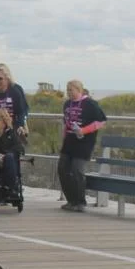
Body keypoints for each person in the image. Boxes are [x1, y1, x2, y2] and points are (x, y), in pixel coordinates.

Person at [59, 79, 107, 212]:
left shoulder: (90, 103)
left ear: (79, 90)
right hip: (69, 140)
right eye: (67, 90)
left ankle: (80, 201)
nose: (69, 93)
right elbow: (66, 122)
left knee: (77, 170)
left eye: (71, 90)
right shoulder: (67, 104)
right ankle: (71, 200)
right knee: (63, 168)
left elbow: (101, 121)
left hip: (84, 142)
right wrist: (64, 138)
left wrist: (84, 130)